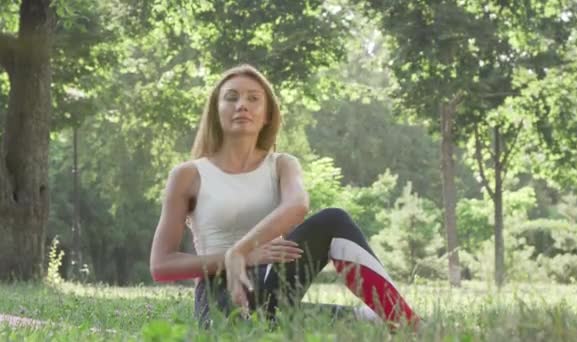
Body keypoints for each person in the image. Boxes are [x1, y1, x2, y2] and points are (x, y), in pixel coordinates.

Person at [149, 64, 420, 330]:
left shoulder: (282, 165)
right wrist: (241, 258)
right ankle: (364, 320)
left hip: (272, 283)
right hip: (219, 295)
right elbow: (162, 265)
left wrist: (239, 251)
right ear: (216, 111)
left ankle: (407, 322)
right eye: (231, 97)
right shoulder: (189, 174)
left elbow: (297, 206)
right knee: (258, 320)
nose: (241, 104)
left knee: (333, 220)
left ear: (267, 114)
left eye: (253, 98)